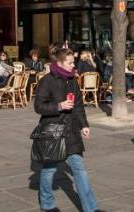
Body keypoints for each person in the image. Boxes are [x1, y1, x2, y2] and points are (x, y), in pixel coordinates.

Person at [33, 46, 99, 212]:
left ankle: (90, 208)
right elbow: (39, 106)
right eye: (70, 63)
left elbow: (78, 106)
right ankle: (47, 204)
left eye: (73, 62)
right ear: (60, 63)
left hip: (71, 131)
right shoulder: (47, 80)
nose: (73, 66)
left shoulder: (72, 80)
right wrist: (59, 106)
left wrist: (84, 125)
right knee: (50, 169)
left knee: (79, 169)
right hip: (53, 131)